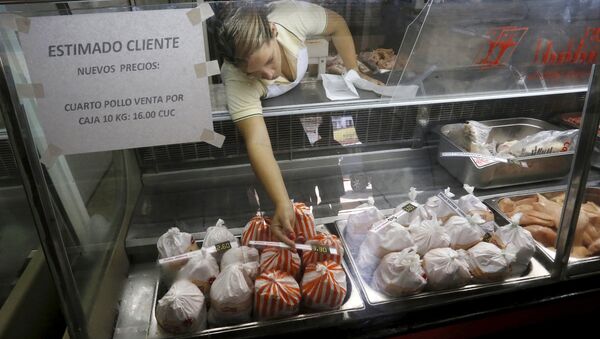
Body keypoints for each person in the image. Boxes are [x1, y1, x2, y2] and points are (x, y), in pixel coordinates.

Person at [216, 0, 378, 249]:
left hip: (307, 117)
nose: (270, 75)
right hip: (272, 130)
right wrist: (282, 203)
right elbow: (257, 141)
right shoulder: (236, 78)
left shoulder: (292, 17)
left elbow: (337, 24)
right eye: (256, 74)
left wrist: (353, 69)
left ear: (273, 31)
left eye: (270, 60)